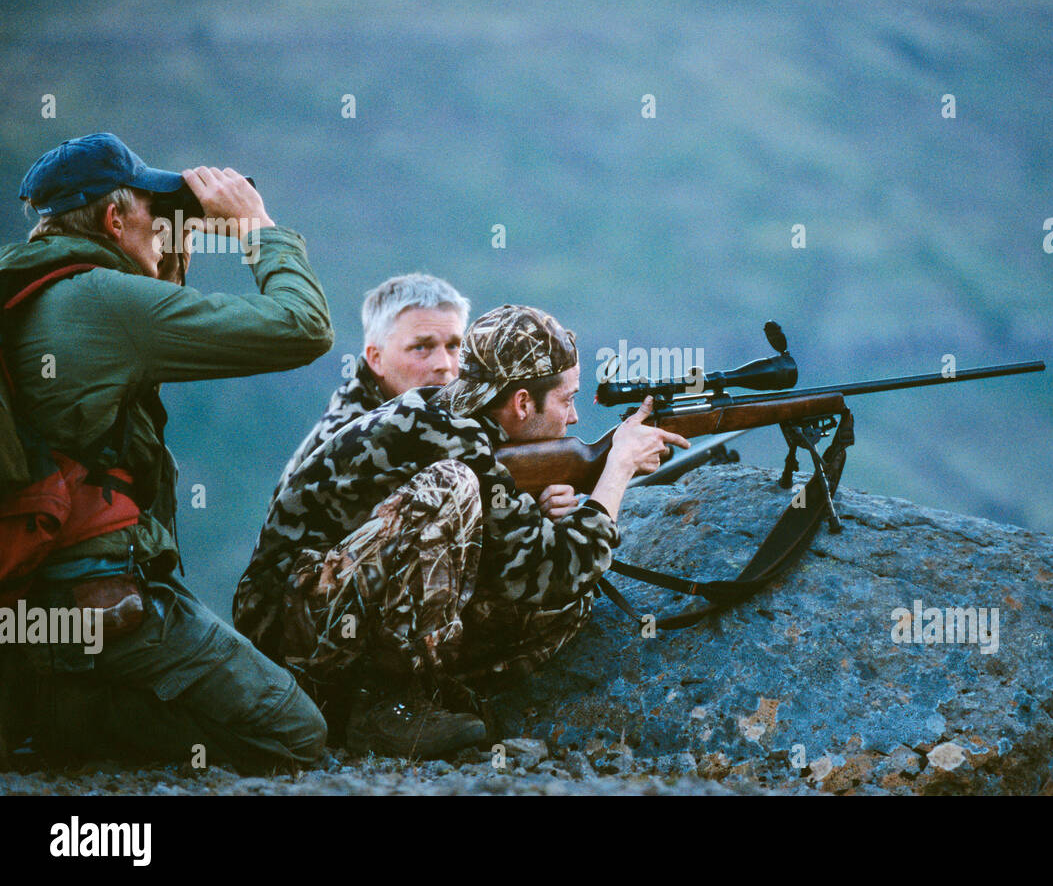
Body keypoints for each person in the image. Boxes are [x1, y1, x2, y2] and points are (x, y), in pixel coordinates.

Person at [0, 133, 334, 771]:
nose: (169, 229)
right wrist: (256, 229)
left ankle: (53, 695)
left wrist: (168, 258)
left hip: (32, 598)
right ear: (114, 218)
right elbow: (303, 327)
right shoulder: (101, 298)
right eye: (158, 216)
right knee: (296, 733)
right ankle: (73, 715)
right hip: (98, 598)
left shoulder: (32, 290)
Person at [233, 305, 687, 758]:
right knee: (450, 487)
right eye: (566, 401)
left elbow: (533, 573)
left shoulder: (468, 421)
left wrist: (537, 512)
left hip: (335, 612)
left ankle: (423, 696)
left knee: (566, 605)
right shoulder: (451, 433)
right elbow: (554, 570)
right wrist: (618, 468)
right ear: (523, 402)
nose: (572, 420)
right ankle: (385, 708)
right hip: (287, 631)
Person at [270, 273, 469, 503]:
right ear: (376, 358)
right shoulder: (357, 433)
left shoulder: (429, 414)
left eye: (454, 346)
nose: (443, 364)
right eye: (421, 347)